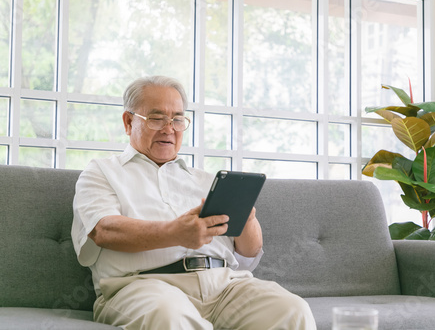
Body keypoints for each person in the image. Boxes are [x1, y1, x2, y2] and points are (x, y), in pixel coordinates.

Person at [71, 75, 317, 329]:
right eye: (157, 118)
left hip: (224, 285)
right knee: (169, 316)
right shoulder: (101, 172)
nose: (169, 128)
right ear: (128, 121)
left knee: (292, 310)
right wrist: (175, 233)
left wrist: (247, 218)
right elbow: (104, 230)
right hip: (144, 285)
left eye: (177, 119)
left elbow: (249, 252)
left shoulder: (207, 180)